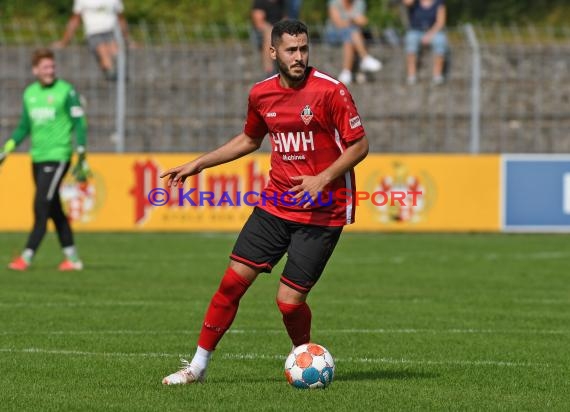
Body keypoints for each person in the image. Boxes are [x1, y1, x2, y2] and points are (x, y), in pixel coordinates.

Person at [160, 20, 369, 385]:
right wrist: (198, 163)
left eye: (304, 49)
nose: (299, 57)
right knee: (230, 284)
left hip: (322, 212)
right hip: (275, 205)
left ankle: (303, 356)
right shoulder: (261, 94)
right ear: (273, 52)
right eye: (291, 50)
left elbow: (359, 145)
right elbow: (248, 140)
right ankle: (197, 367)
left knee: (288, 302)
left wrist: (322, 178)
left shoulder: (330, 92)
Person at [0, 49, 89, 271]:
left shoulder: (66, 91)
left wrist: (81, 151)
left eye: (52, 66)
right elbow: (24, 127)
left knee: (41, 204)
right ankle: (73, 258)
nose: (50, 71)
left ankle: (26, 256)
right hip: (37, 157)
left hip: (58, 156)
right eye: (46, 67)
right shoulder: (30, 93)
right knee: (53, 208)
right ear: (35, 70)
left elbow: (79, 123)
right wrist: (7, 148)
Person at [53, 0, 131, 81]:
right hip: (93, 33)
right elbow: (75, 19)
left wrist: (128, 39)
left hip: (112, 32)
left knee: (117, 54)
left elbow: (121, 18)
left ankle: (117, 77)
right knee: (103, 52)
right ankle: (112, 75)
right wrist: (64, 41)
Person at [325, 0, 382, 85]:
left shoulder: (359, 2)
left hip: (351, 34)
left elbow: (363, 21)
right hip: (334, 34)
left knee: (350, 38)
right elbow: (337, 23)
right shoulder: (334, 2)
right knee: (352, 32)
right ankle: (365, 58)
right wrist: (352, 20)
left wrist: (352, 21)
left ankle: (346, 71)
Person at [402, 0, 448, 85]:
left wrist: (429, 35)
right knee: (411, 40)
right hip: (415, 30)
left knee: (440, 41)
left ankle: (437, 75)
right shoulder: (414, 3)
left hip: (433, 31)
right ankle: (411, 75)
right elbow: (407, 2)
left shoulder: (439, 2)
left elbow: (440, 22)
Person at [251, 0, 287, 77]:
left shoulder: (281, 2)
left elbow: (285, 19)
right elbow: (259, 23)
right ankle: (269, 70)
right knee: (269, 34)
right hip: (262, 33)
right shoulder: (260, 2)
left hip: (277, 30)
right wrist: (273, 29)